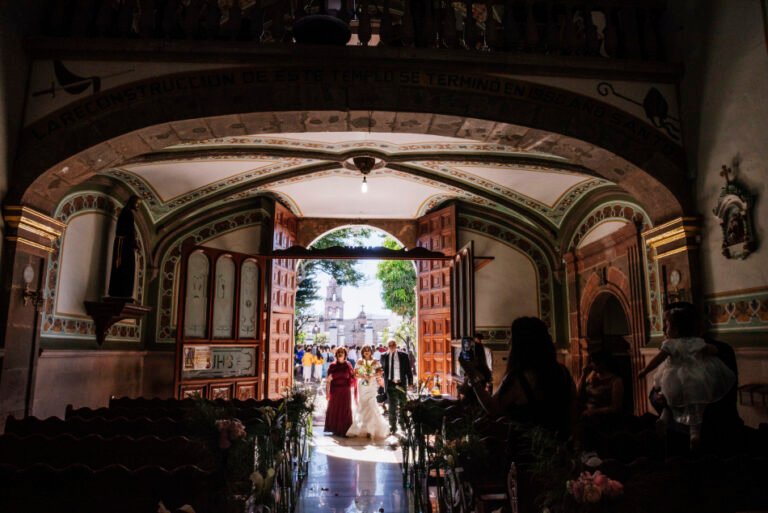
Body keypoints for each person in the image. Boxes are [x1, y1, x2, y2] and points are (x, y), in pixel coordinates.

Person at [640, 302, 738, 450]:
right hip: (677, 436)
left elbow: (725, 393)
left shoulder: (721, 350)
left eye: (667, 323)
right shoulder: (671, 351)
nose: (663, 329)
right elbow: (656, 392)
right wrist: (660, 398)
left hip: (715, 433)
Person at [464, 317, 575, 438]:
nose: (509, 342)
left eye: (512, 338)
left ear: (522, 345)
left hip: (527, 451)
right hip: (559, 449)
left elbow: (493, 408)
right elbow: (573, 411)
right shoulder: (563, 372)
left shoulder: (519, 378)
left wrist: (472, 375)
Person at [347, 345, 390, 439]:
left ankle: (372, 429)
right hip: (362, 385)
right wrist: (363, 376)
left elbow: (380, 373)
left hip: (372, 385)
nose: (367, 352)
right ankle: (364, 429)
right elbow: (355, 375)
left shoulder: (375, 361)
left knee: (371, 404)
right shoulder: (359, 361)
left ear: (371, 351)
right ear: (362, 352)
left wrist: (372, 375)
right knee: (363, 405)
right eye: (365, 350)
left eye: (368, 350)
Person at [108, 195, 140, 298]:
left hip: (126, 243)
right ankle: (121, 292)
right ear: (133, 203)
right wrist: (134, 243)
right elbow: (128, 230)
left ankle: (124, 292)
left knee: (128, 267)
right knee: (125, 266)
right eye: (137, 204)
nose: (138, 206)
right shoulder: (127, 213)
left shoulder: (127, 212)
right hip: (124, 244)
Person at [381, 339, 414, 434]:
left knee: (403, 405)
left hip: (401, 384)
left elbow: (408, 370)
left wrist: (410, 383)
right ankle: (393, 427)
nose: (391, 346)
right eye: (389, 345)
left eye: (393, 344)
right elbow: (382, 370)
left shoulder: (404, 355)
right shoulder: (384, 356)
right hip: (390, 384)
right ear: (387, 346)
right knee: (392, 407)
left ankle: (403, 424)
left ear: (396, 345)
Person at [325, 346, 357, 436]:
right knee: (335, 410)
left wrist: (356, 376)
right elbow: (328, 381)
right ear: (336, 354)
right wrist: (327, 393)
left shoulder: (348, 365)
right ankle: (335, 429)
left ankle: (345, 429)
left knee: (345, 410)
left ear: (345, 354)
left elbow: (352, 377)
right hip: (334, 391)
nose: (340, 354)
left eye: (342, 352)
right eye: (338, 352)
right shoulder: (332, 365)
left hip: (345, 391)